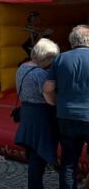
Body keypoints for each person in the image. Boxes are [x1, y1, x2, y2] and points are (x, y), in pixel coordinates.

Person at [44, 25, 89, 189]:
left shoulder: (60, 59)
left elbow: (47, 89)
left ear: (72, 42)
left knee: (69, 162)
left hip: (66, 115)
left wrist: (55, 103)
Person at [15, 38, 60, 189]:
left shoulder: (22, 68)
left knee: (33, 153)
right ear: (46, 57)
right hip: (40, 115)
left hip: (27, 113)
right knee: (38, 157)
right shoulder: (40, 74)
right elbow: (49, 98)